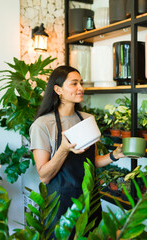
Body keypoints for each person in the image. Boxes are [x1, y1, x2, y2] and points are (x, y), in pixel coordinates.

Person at [29, 66, 126, 237]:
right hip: (60, 204)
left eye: (81, 83)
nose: (80, 88)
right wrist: (64, 149)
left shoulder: (87, 119)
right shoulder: (42, 125)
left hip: (90, 200)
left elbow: (92, 162)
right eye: (74, 84)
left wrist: (114, 155)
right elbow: (44, 176)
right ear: (58, 90)